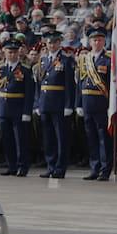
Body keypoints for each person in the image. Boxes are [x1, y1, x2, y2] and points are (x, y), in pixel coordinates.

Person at [35, 30, 75, 178]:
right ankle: (50, 166)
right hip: (45, 104)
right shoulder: (43, 60)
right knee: (48, 138)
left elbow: (70, 85)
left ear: (60, 43)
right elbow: (39, 84)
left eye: (55, 42)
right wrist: (38, 104)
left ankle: (60, 167)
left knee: (61, 138)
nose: (52, 45)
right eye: (49, 42)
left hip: (59, 104)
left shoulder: (66, 60)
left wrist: (68, 105)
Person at [76, 27, 113, 181]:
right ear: (90, 41)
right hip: (86, 102)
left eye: (100, 40)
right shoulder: (84, 59)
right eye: (94, 40)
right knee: (91, 138)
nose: (97, 42)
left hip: (101, 103)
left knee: (103, 138)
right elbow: (80, 83)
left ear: (104, 41)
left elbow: (112, 83)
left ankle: (105, 169)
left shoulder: (109, 59)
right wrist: (78, 103)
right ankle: (94, 167)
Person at [0, 38, 35, 177]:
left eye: (14, 52)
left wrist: (27, 111)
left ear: (18, 53)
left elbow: (29, 92)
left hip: (18, 107)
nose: (11, 55)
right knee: (7, 139)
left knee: (20, 140)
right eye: (9, 52)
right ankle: (11, 165)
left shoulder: (25, 70)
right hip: (3, 107)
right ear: (4, 52)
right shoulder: (1, 68)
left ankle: (22, 166)